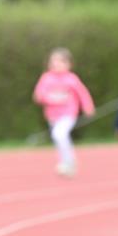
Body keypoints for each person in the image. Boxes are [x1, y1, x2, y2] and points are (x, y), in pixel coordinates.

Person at [33, 48, 95, 178]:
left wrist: (88, 106)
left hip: (68, 114)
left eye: (61, 61)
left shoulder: (71, 79)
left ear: (68, 64)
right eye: (54, 61)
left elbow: (82, 93)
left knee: (59, 135)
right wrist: (49, 99)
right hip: (52, 116)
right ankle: (68, 163)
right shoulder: (46, 78)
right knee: (60, 139)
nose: (56, 64)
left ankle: (67, 163)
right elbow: (38, 95)